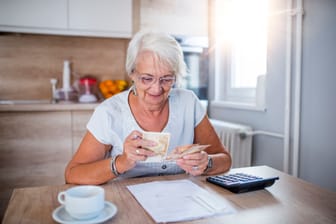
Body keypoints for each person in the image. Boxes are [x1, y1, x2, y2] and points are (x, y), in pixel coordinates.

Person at [65, 30, 232, 185]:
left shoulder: (188, 102)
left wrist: (206, 162)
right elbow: (72, 174)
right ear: (132, 74)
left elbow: (225, 159)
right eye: (147, 78)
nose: (156, 89)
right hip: (128, 206)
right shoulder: (109, 112)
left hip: (180, 203)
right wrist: (122, 162)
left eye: (166, 79)